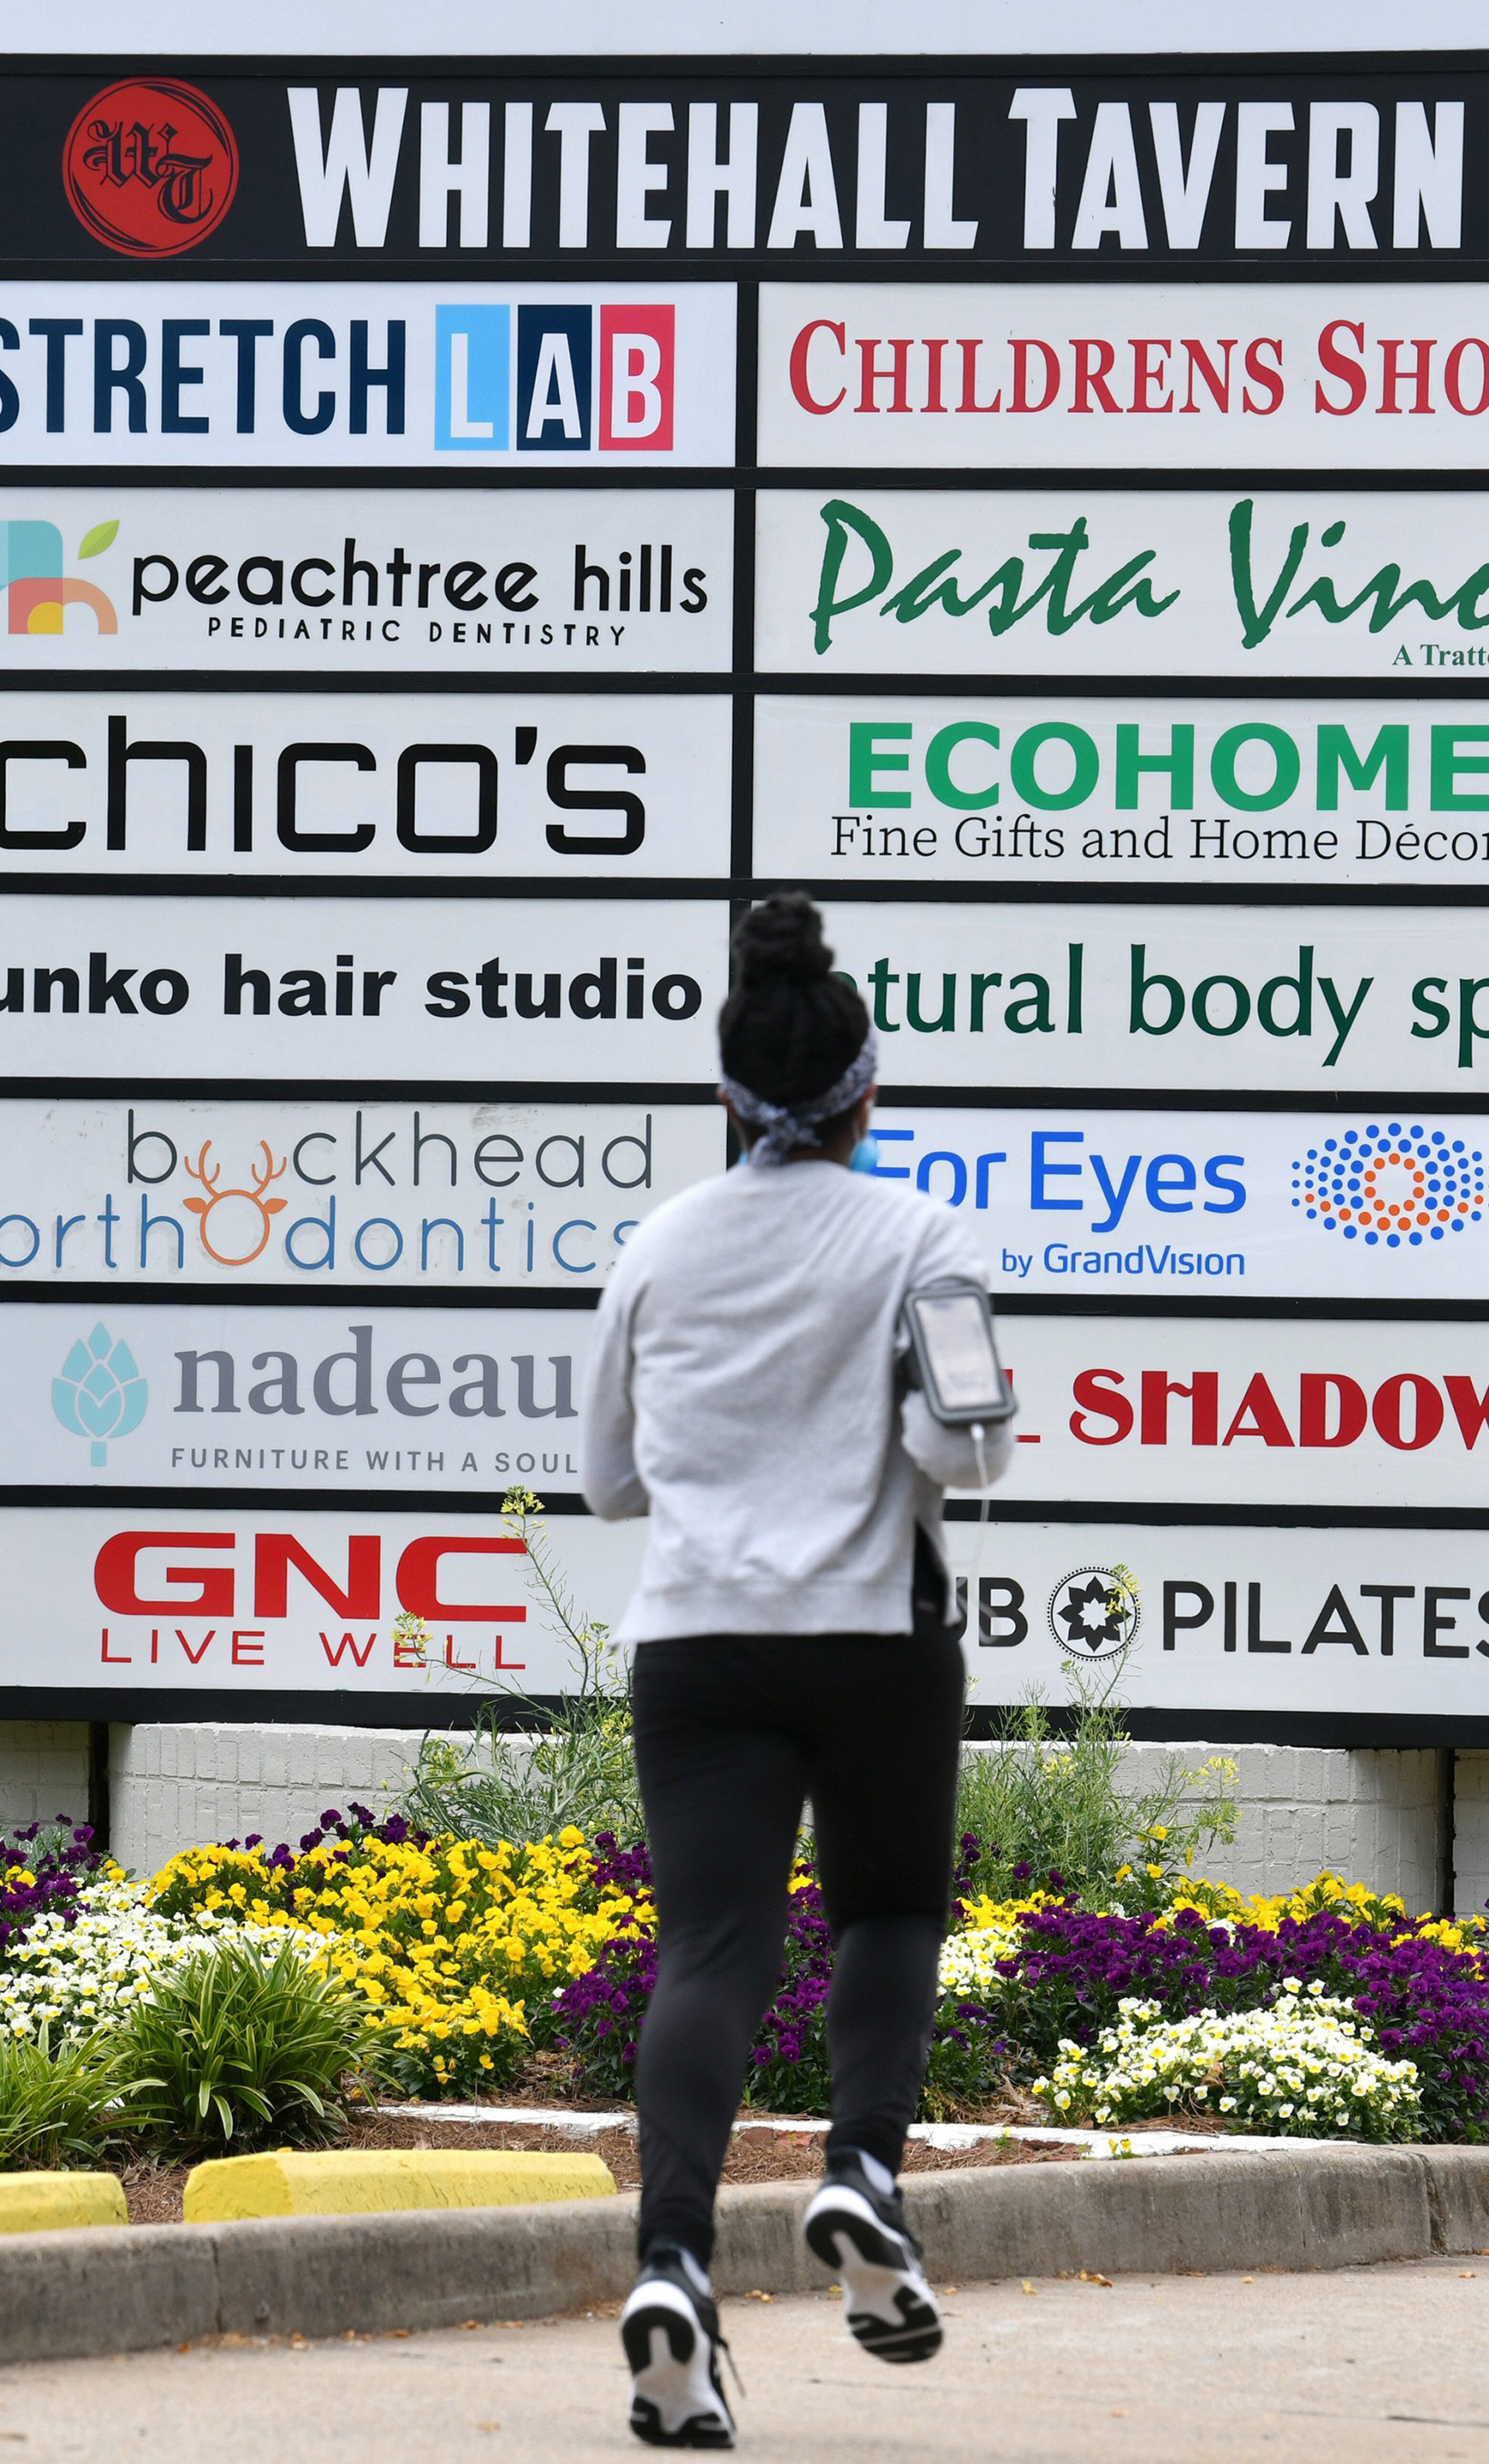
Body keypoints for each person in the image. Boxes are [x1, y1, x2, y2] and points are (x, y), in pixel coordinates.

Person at [582, 894, 1017, 2448]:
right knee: (889, 1910)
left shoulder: (659, 1248)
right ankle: (860, 2175)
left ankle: (673, 2266)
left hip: (698, 1641)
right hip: (874, 1636)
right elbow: (970, 1454)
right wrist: (888, 1434)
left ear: (729, 1098)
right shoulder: (920, 1239)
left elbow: (606, 1483)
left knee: (710, 1951)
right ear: (864, 1096)